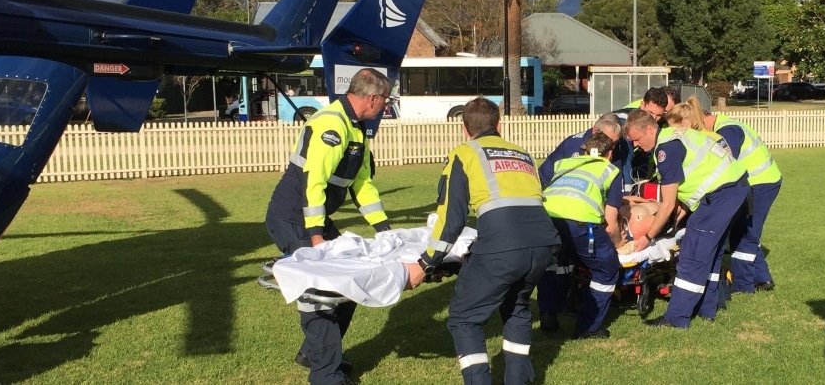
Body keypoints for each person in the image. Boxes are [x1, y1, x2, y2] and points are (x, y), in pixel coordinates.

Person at [406, 97, 560, 385]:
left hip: (504, 247)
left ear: (465, 129)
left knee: (464, 318)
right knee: (516, 307)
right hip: (543, 243)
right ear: (498, 125)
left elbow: (451, 221)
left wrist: (426, 263)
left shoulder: (464, 154)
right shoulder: (522, 153)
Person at [264, 68, 394, 385]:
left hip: (316, 220)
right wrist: (317, 238)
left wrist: (385, 232)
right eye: (386, 100)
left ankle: (315, 353)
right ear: (374, 97)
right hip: (294, 218)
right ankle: (325, 375)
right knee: (321, 292)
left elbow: (362, 186)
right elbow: (314, 184)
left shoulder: (358, 130)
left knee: (349, 286)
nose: (386, 106)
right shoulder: (330, 125)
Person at [623, 110, 749, 328]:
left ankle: (676, 318)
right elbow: (682, 196)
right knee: (712, 252)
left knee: (692, 254)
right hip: (734, 188)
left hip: (720, 196)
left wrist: (649, 236)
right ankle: (706, 309)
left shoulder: (666, 150)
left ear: (650, 129)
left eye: (637, 139)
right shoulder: (675, 136)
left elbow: (669, 203)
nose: (635, 145)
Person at [535, 112, 625, 331]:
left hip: (547, 221)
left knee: (554, 263)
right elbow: (611, 223)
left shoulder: (563, 163)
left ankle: (548, 312)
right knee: (607, 271)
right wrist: (619, 244)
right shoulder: (610, 171)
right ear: (610, 152)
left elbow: (542, 179)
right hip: (581, 225)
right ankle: (588, 328)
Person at [704, 110, 782, 293]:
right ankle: (762, 278)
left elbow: (726, 163)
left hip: (760, 183)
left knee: (746, 233)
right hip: (760, 181)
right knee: (745, 229)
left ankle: (743, 284)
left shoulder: (728, 130)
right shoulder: (724, 125)